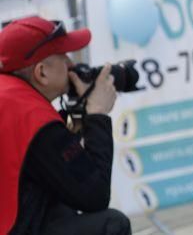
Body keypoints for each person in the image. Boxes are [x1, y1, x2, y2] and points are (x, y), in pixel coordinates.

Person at [0, 16, 131, 235]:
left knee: (60, 206)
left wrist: (77, 116)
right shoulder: (33, 116)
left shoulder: (10, 98)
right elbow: (94, 196)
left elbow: (49, 167)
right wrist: (97, 113)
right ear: (42, 72)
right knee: (112, 225)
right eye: (63, 57)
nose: (72, 65)